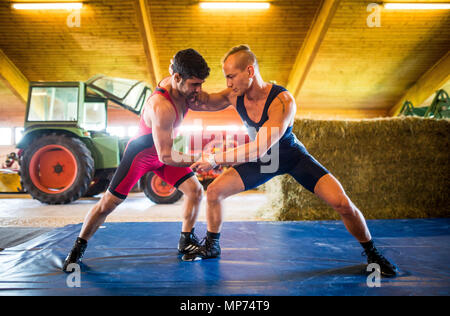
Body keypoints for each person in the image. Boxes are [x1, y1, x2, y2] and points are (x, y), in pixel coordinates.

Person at [183, 45, 398, 277]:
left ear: (249, 71)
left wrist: (214, 159)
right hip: (266, 161)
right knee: (214, 192)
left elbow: (259, 148)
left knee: (342, 203)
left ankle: (373, 253)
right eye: (226, 78)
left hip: (291, 157)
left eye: (231, 76)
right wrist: (174, 82)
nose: (228, 84)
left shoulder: (282, 101)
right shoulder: (233, 96)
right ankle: (212, 246)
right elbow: (200, 101)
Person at [63, 49, 211, 271]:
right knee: (107, 204)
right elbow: (166, 156)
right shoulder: (161, 105)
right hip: (142, 155)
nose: (198, 90)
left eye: (200, 84)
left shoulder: (179, 81)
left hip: (165, 150)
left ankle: (185, 241)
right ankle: (77, 249)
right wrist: (200, 159)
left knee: (196, 191)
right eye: (194, 85)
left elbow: (215, 100)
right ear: (177, 78)